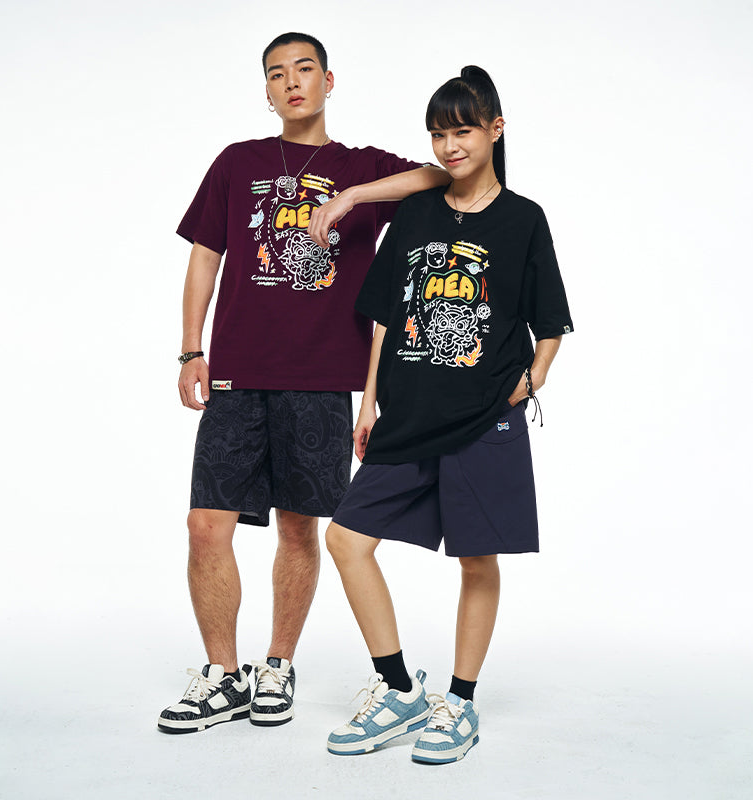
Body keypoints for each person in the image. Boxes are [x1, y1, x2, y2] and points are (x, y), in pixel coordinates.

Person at [157, 32, 449, 735]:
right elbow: (204, 258)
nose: (291, 82)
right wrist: (190, 350)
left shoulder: (360, 166)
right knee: (206, 526)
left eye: (304, 69)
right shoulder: (238, 162)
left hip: (321, 378)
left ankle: (277, 665)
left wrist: (355, 196)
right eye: (276, 74)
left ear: (328, 81)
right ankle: (222, 676)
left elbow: (441, 178)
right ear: (266, 90)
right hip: (236, 374)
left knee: (298, 528)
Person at [320, 65, 574, 763]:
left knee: (476, 558)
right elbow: (383, 315)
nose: (450, 146)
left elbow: (550, 319)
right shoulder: (417, 212)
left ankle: (460, 703)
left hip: (485, 417)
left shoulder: (524, 219)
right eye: (438, 134)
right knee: (346, 540)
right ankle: (401, 690)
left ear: (495, 129)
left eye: (462, 130)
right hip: (407, 413)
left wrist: (533, 377)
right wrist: (368, 401)